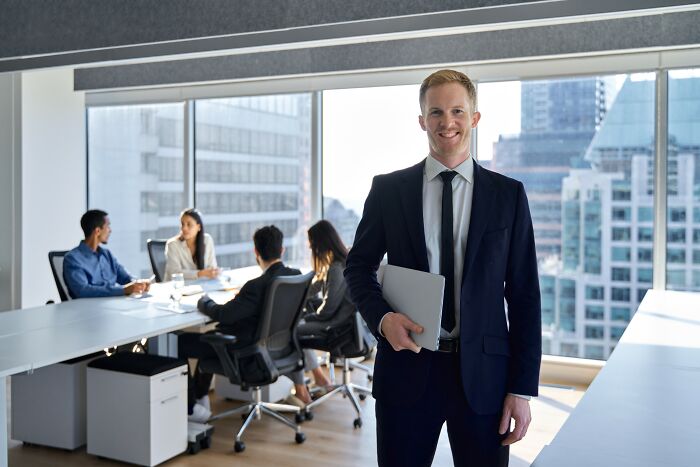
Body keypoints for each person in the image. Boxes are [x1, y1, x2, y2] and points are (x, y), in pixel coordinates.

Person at [344, 69, 542, 467]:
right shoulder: (388, 191)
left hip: (485, 376)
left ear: (474, 117)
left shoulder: (509, 196)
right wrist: (382, 320)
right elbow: (358, 267)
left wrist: (520, 389)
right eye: (435, 112)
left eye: (456, 111)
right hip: (408, 366)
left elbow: (523, 295)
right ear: (422, 121)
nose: (446, 122)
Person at [178, 225, 320, 422]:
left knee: (180, 343)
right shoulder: (295, 275)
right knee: (212, 338)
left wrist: (205, 301)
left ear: (256, 252)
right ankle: (201, 398)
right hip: (280, 349)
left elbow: (224, 314)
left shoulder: (256, 286)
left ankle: (190, 408)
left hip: (248, 354)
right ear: (282, 250)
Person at [297, 220, 357, 390]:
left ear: (320, 244)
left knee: (291, 330)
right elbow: (313, 287)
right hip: (345, 321)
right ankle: (313, 379)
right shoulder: (342, 260)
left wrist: (306, 318)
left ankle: (307, 384)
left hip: (335, 325)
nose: (310, 249)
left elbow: (327, 311)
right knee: (304, 312)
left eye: (311, 245)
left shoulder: (336, 268)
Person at [64, 209, 149, 299]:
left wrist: (139, 283)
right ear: (97, 231)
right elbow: (82, 291)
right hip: (89, 309)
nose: (110, 230)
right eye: (107, 226)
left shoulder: (106, 254)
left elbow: (125, 278)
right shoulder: (73, 259)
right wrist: (123, 290)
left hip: (113, 304)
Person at [164, 208, 219, 280]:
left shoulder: (207, 240)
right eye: (182, 224)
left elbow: (212, 267)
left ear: (198, 227)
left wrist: (213, 272)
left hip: (201, 285)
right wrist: (200, 274)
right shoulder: (172, 244)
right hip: (177, 287)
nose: (184, 228)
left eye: (189, 224)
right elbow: (174, 273)